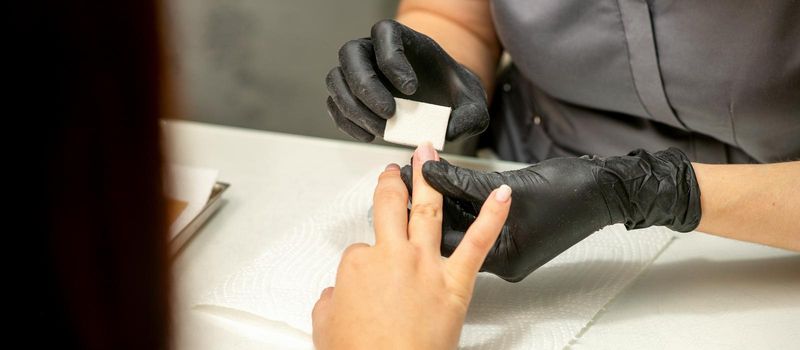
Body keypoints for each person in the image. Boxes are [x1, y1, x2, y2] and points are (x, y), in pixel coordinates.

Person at [324, 0, 800, 282]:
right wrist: (426, 82)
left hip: (770, 231)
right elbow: (455, 15)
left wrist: (640, 189)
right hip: (524, 179)